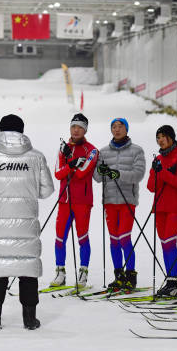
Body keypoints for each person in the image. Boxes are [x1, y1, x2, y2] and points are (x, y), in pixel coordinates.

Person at [0, 114, 54, 329]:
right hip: (27, 223)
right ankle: (30, 319)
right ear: (22, 131)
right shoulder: (36, 157)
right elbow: (47, 191)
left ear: (1, 130)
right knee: (27, 269)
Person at [93, 118, 145, 290]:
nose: (116, 129)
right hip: (109, 200)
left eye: (120, 126)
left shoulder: (137, 150)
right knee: (114, 239)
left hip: (127, 200)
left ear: (126, 129)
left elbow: (138, 174)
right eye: (113, 127)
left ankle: (131, 275)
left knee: (124, 237)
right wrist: (100, 171)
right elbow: (98, 177)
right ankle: (119, 275)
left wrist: (118, 173)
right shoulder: (103, 152)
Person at [50, 113, 98, 288]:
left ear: (85, 130)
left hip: (82, 201)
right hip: (64, 200)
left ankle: (83, 272)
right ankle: (60, 272)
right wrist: (70, 162)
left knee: (82, 237)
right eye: (73, 127)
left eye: (79, 127)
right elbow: (58, 173)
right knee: (59, 237)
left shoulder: (92, 150)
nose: (76, 130)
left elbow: (81, 173)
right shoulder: (63, 148)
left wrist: (71, 163)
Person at [147, 125, 177, 297]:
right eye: (158, 137)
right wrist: (156, 172)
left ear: (172, 138)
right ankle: (171, 281)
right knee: (164, 244)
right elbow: (151, 187)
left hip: (175, 207)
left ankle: (175, 282)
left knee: (170, 243)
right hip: (160, 208)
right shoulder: (158, 159)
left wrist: (163, 172)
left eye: (164, 136)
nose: (161, 140)